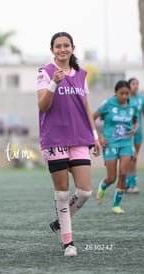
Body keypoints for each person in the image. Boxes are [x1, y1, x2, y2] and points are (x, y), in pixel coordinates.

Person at [37, 32, 100, 257]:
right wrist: (54, 83)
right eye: (58, 46)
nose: (62, 49)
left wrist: (94, 134)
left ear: (73, 48)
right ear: (52, 49)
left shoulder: (81, 75)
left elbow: (85, 106)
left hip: (79, 137)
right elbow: (43, 106)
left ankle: (59, 224)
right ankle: (68, 242)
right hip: (54, 138)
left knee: (84, 192)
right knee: (62, 193)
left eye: (66, 45)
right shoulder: (45, 72)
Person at [93, 80, 138, 213]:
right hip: (110, 142)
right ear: (115, 92)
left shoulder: (133, 106)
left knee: (123, 173)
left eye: (127, 93)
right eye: (121, 93)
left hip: (126, 143)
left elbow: (135, 122)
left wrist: (135, 129)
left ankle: (116, 205)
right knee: (112, 178)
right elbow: (92, 118)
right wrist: (100, 137)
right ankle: (103, 186)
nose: (124, 96)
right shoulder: (107, 104)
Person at [126, 77, 143, 194]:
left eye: (137, 84)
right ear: (128, 85)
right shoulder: (125, 98)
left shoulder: (141, 98)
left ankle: (132, 184)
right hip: (128, 132)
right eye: (133, 84)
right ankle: (129, 184)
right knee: (131, 157)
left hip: (138, 132)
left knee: (134, 158)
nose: (136, 86)